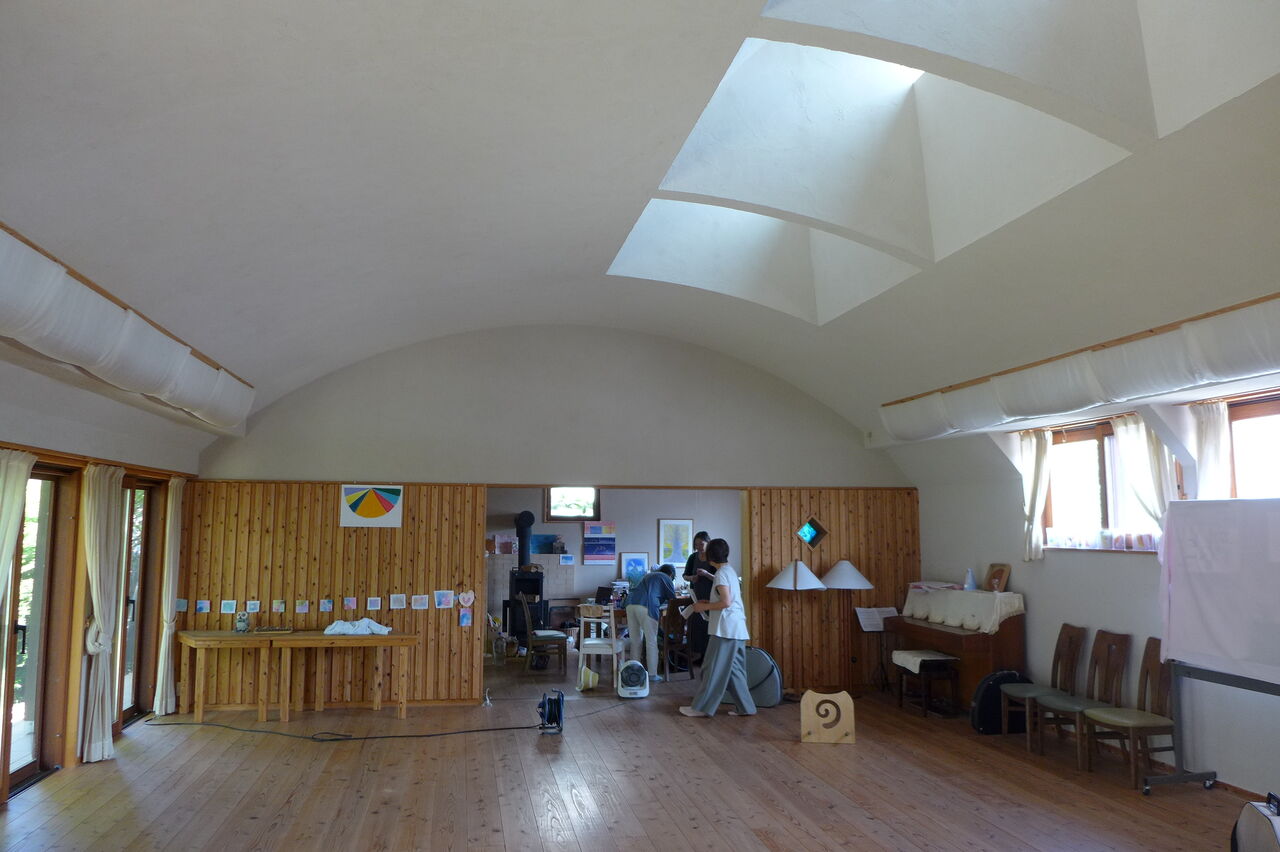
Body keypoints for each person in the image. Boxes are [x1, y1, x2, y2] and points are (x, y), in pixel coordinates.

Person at [679, 539, 756, 718]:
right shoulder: (729, 571)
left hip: (725, 630)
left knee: (711, 668)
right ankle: (747, 708)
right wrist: (710, 602)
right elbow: (727, 599)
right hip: (736, 629)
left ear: (710, 556)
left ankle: (701, 708)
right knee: (734, 671)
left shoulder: (721, 574)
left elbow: (726, 602)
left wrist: (702, 607)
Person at [625, 564, 676, 681]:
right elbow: (673, 600)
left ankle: (635, 673)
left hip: (630, 604)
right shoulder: (666, 578)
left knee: (635, 641)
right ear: (671, 575)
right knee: (651, 641)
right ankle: (652, 674)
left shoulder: (649, 575)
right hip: (646, 606)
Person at [682, 531, 713, 663]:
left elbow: (719, 578)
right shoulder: (693, 557)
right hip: (696, 596)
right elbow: (685, 575)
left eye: (701, 544)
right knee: (696, 627)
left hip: (711, 597)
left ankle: (708, 656)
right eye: (696, 544)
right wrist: (692, 578)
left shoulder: (713, 558)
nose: (699, 547)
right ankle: (698, 655)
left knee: (708, 626)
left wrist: (706, 574)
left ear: (708, 543)